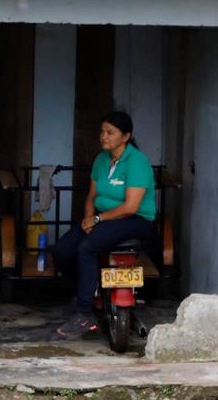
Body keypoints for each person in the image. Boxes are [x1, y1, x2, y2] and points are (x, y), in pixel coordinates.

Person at [51, 111, 157, 339]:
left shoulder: (137, 162)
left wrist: (98, 220)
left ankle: (84, 314)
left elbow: (130, 206)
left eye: (110, 132)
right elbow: (91, 196)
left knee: (87, 248)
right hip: (104, 218)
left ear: (125, 136)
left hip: (135, 220)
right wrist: (89, 218)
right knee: (61, 250)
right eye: (102, 131)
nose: (103, 136)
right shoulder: (101, 160)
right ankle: (86, 290)